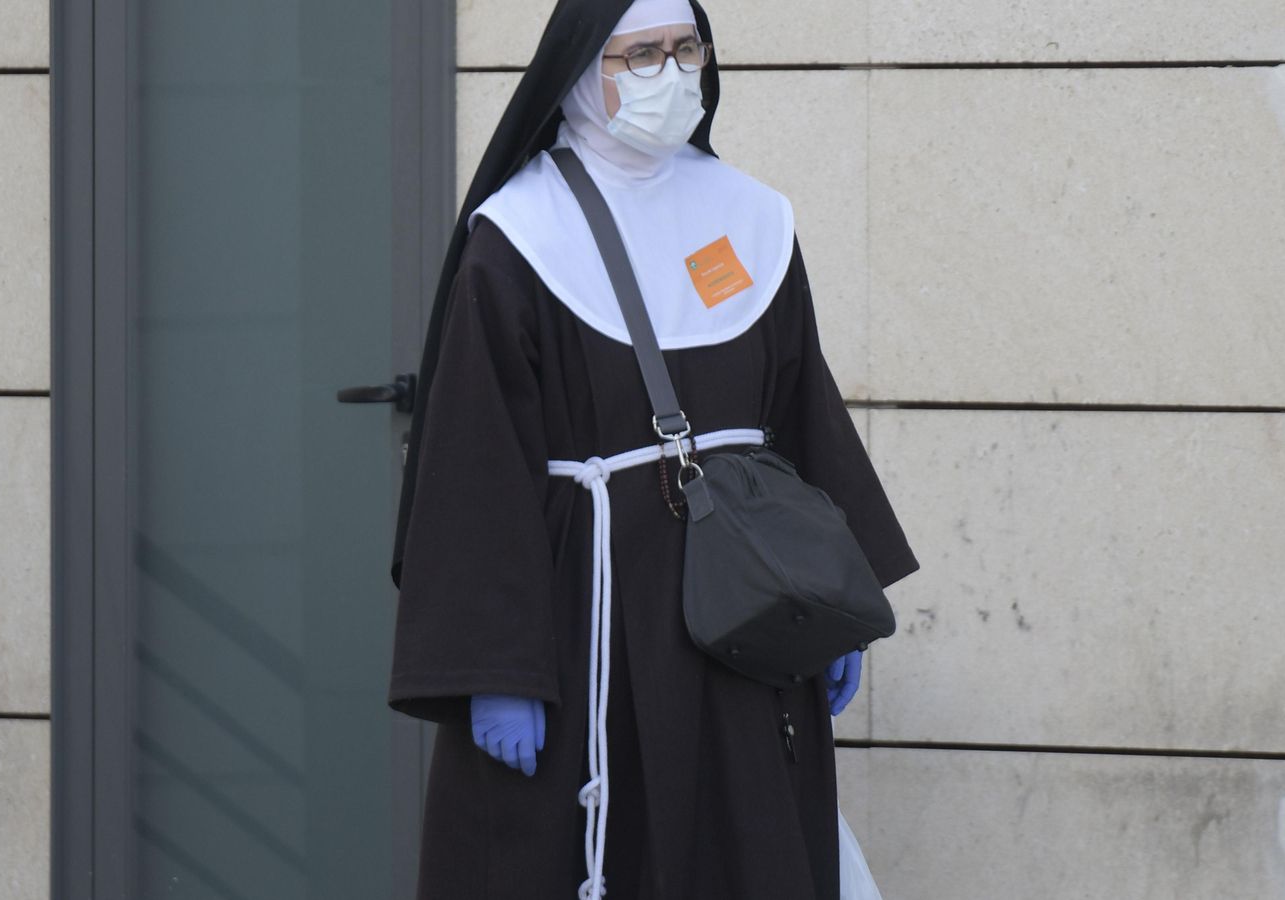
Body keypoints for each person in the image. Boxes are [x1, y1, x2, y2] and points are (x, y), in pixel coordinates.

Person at [386, 1, 919, 898]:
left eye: (685, 50)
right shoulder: (519, 239)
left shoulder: (750, 218)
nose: (669, 76)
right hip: (582, 621)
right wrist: (494, 669)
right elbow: (475, 467)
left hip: (743, 611)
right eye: (640, 56)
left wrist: (839, 598)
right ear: (578, 70)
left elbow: (803, 412)